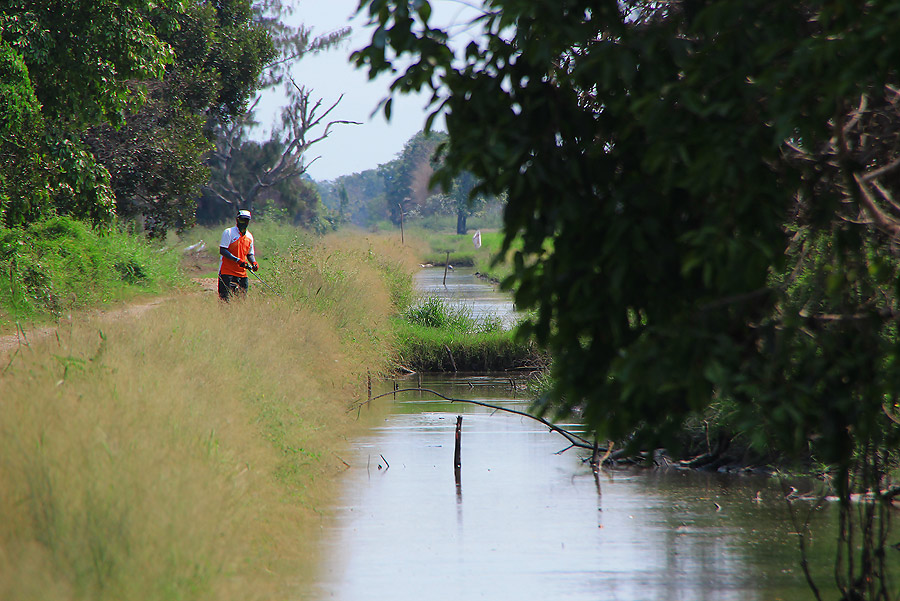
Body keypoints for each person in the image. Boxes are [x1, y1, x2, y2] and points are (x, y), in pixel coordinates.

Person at [218, 209, 258, 301]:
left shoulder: (249, 236)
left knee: (241, 300)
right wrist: (238, 260)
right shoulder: (229, 232)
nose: (244, 222)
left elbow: (250, 254)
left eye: (246, 220)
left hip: (242, 274)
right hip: (227, 272)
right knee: (225, 300)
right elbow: (223, 250)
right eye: (242, 220)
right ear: (237, 220)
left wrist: (254, 262)